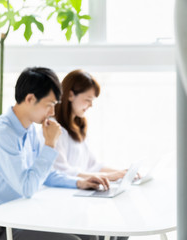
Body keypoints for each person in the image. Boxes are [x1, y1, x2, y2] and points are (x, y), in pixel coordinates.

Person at [0, 67, 109, 240]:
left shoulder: (29, 129)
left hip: (24, 217)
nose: (52, 112)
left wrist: (78, 182)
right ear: (30, 99)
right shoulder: (0, 133)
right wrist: (50, 144)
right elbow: (27, 187)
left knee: (94, 235)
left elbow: (46, 174)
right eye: (49, 105)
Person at [54, 69, 129, 240]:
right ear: (71, 95)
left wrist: (120, 173)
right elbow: (62, 170)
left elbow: (93, 165)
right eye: (87, 100)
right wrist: (107, 176)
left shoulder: (78, 126)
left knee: (120, 232)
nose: (91, 105)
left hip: (81, 200)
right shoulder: (54, 128)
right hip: (65, 201)